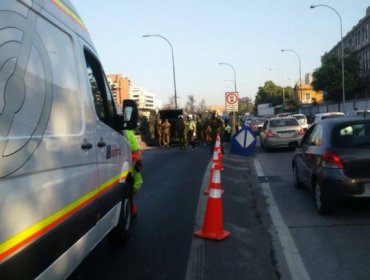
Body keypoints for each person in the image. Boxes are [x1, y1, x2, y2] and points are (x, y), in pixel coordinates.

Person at [124, 130, 143, 216]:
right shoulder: (128, 131)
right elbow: (135, 149)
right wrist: (138, 160)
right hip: (127, 161)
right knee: (137, 182)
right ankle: (130, 204)